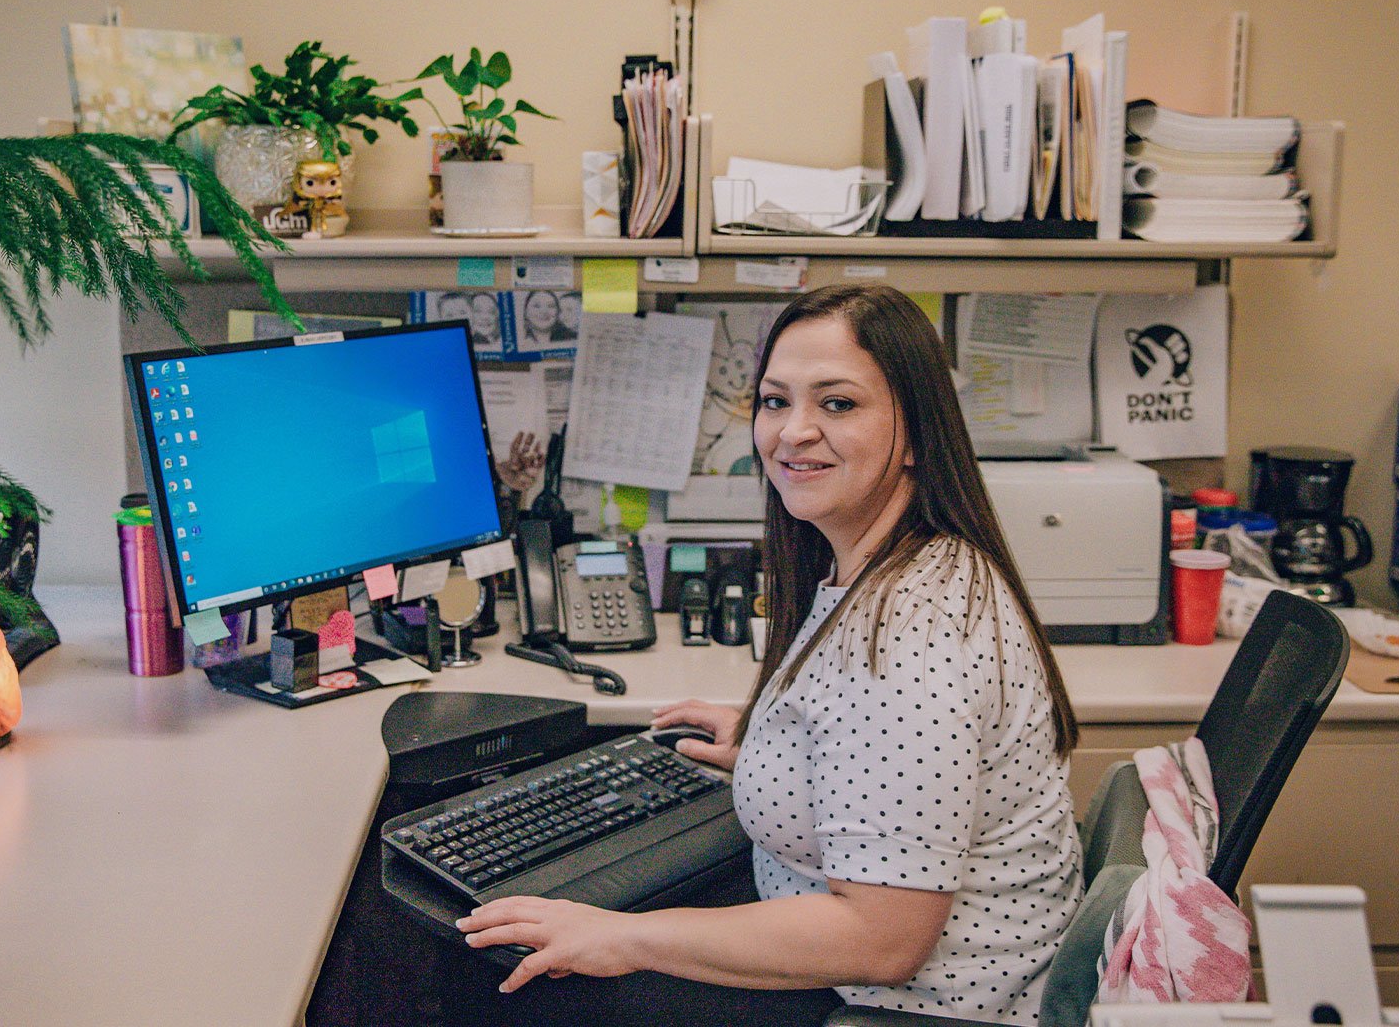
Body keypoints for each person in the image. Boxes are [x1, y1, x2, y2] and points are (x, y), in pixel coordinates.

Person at [456, 284, 1083, 1024]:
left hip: (905, 1006)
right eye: (776, 401)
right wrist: (781, 750)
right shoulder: (901, 562)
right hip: (870, 973)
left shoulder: (915, 640)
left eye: (838, 404)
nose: (793, 432)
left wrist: (624, 938)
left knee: (499, 976)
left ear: (916, 433)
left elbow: (882, 942)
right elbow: (881, 756)